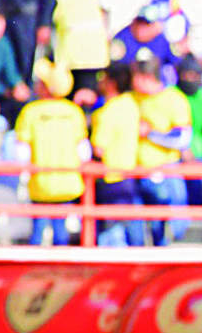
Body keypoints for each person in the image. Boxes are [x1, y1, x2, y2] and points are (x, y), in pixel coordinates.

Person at [15, 60, 87, 246]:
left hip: (41, 183)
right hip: (68, 183)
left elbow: (21, 153)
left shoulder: (30, 112)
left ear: (46, 87)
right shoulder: (74, 112)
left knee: (38, 232)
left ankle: (32, 271)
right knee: (61, 233)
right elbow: (84, 152)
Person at [132, 56, 192, 245]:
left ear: (146, 77)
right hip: (137, 171)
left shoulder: (174, 99)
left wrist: (151, 134)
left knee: (177, 225)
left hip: (167, 171)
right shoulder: (132, 99)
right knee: (144, 229)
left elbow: (183, 139)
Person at [90, 63, 143, 246]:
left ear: (111, 83)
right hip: (129, 174)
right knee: (128, 224)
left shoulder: (109, 111)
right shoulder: (131, 105)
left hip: (111, 177)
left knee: (111, 231)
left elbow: (98, 148)